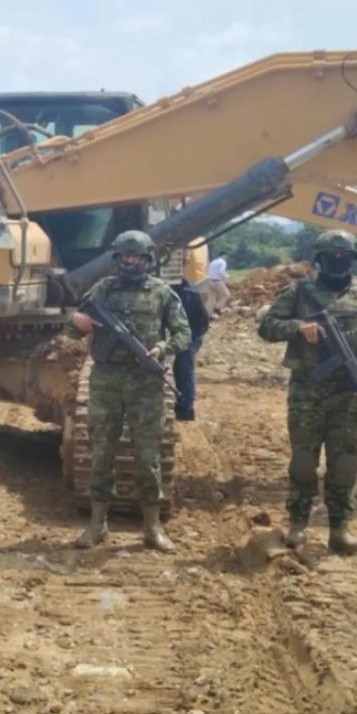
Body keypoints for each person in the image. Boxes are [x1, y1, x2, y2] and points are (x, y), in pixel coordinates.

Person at [258, 229, 357, 555]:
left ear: (353, 258)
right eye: (332, 256)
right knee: (304, 463)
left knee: (345, 465)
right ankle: (297, 525)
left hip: (350, 394)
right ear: (319, 259)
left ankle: (340, 530)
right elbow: (267, 326)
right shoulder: (299, 292)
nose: (338, 260)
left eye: (344, 256)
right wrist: (298, 327)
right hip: (307, 392)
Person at [67, 230, 191, 553]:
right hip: (106, 381)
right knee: (101, 453)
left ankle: (152, 527)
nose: (129, 261)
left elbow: (183, 333)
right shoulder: (101, 291)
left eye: (134, 256)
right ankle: (97, 524)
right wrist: (76, 322)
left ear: (147, 259)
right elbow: (72, 329)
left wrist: (162, 348)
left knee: (148, 457)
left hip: (145, 384)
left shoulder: (162, 293)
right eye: (124, 256)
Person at [172, 277, 210, 421]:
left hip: (190, 335)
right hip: (178, 334)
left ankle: (185, 407)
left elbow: (202, 322)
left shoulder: (188, 294)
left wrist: (188, 339)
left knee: (184, 368)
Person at [196, 250, 231, 318]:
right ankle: (217, 307)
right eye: (226, 256)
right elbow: (221, 271)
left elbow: (209, 271)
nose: (226, 258)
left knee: (211, 299)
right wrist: (226, 276)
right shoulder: (223, 262)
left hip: (210, 282)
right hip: (217, 281)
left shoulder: (213, 262)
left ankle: (208, 315)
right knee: (226, 295)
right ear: (224, 256)